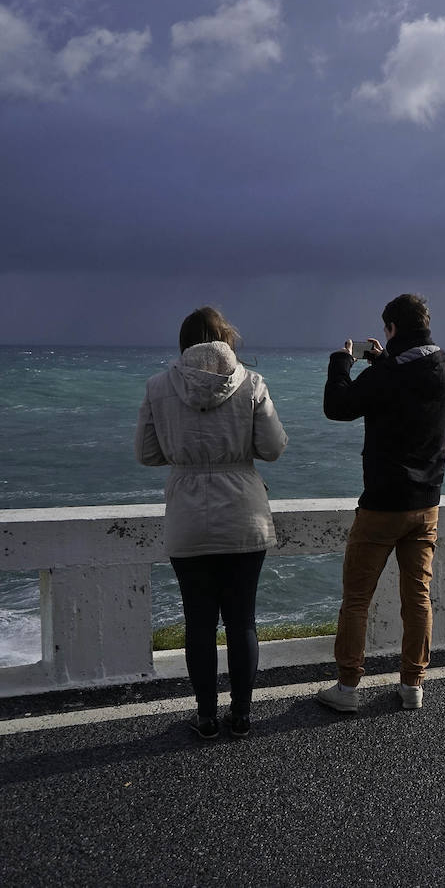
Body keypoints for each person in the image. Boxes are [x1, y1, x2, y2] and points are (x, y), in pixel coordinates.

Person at [136, 307, 287, 739]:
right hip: (243, 514)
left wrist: (186, 456)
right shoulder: (251, 383)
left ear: (184, 342)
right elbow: (272, 448)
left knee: (199, 624)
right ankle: (241, 716)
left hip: (187, 516)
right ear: (226, 339)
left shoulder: (158, 387)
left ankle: (205, 718)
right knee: (242, 622)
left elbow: (147, 453)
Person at [317, 293, 445, 712]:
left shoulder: (389, 373)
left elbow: (338, 406)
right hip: (426, 504)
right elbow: (405, 387)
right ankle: (413, 685)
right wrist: (383, 360)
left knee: (357, 598)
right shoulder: (444, 366)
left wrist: (342, 362)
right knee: (418, 596)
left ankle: (347, 688)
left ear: (392, 328)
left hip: (382, 504)